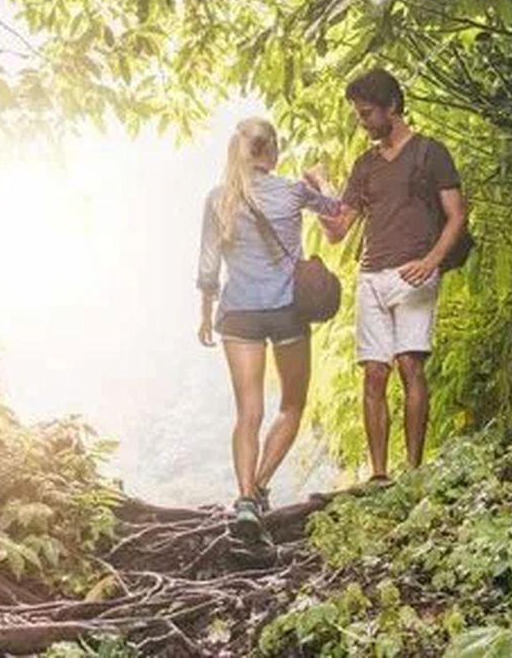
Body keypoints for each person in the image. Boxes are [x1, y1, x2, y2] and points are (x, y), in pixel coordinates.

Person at [195, 117, 342, 542]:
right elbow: (337, 215)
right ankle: (258, 489)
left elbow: (208, 269)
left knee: (248, 412)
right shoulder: (294, 191)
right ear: (272, 151)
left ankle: (244, 500)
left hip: (239, 314)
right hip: (286, 313)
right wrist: (322, 181)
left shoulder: (219, 198)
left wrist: (206, 314)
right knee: (291, 406)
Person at [316, 68, 466, 482]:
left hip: (415, 273)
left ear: (392, 108)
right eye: (359, 115)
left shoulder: (430, 153)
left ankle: (414, 470)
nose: (361, 122)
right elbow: (339, 230)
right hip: (371, 277)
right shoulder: (365, 165)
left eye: (366, 114)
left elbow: (457, 215)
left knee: (409, 365)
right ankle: (379, 475)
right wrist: (319, 194)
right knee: (374, 372)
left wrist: (432, 260)